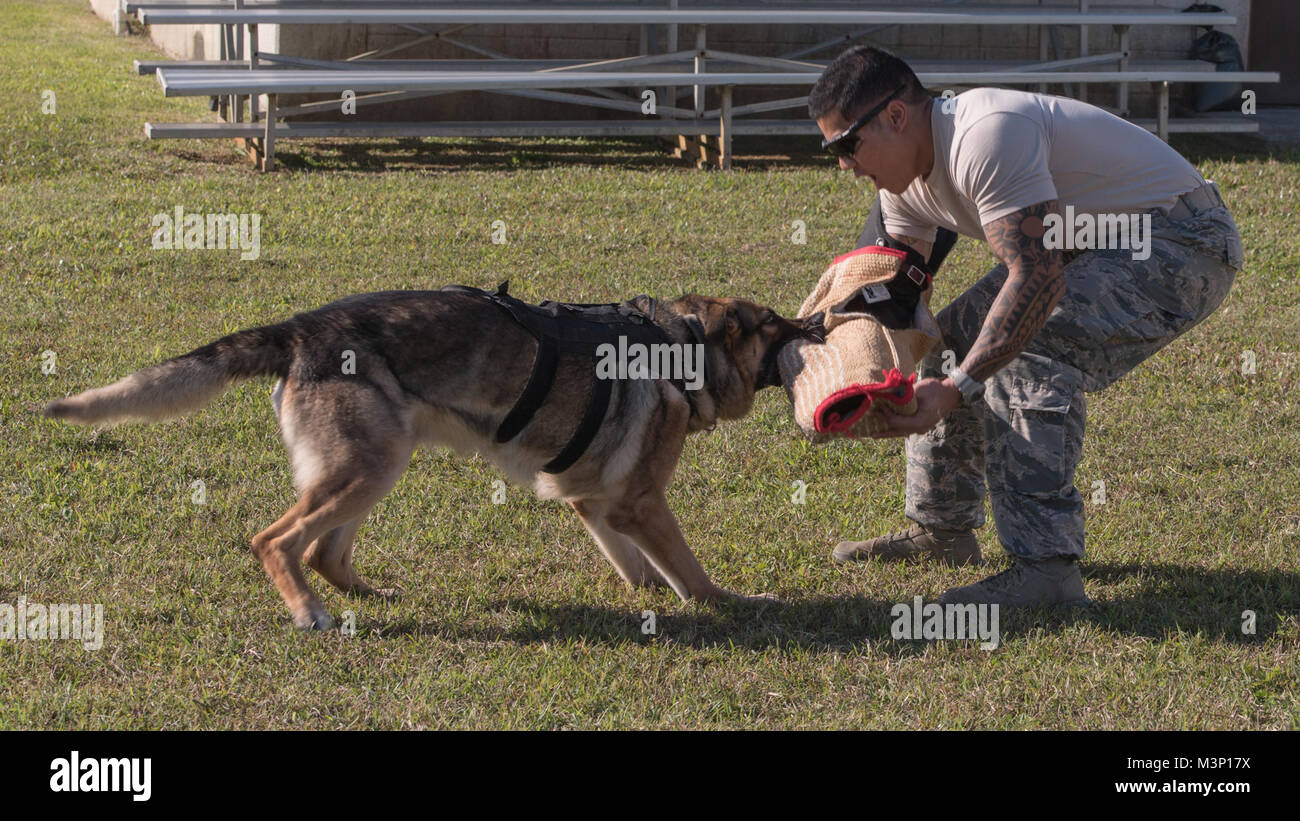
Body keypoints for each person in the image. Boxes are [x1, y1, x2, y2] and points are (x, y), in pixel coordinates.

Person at [809, 46, 1243, 606]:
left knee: (1024, 353)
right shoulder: (902, 186)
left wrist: (961, 388)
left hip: (1181, 239)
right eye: (831, 150)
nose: (843, 163)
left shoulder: (985, 134)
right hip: (1080, 246)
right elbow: (898, 297)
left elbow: (1036, 280)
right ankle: (943, 531)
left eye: (846, 143)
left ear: (895, 116)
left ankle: (1046, 572)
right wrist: (832, 359)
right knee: (951, 344)